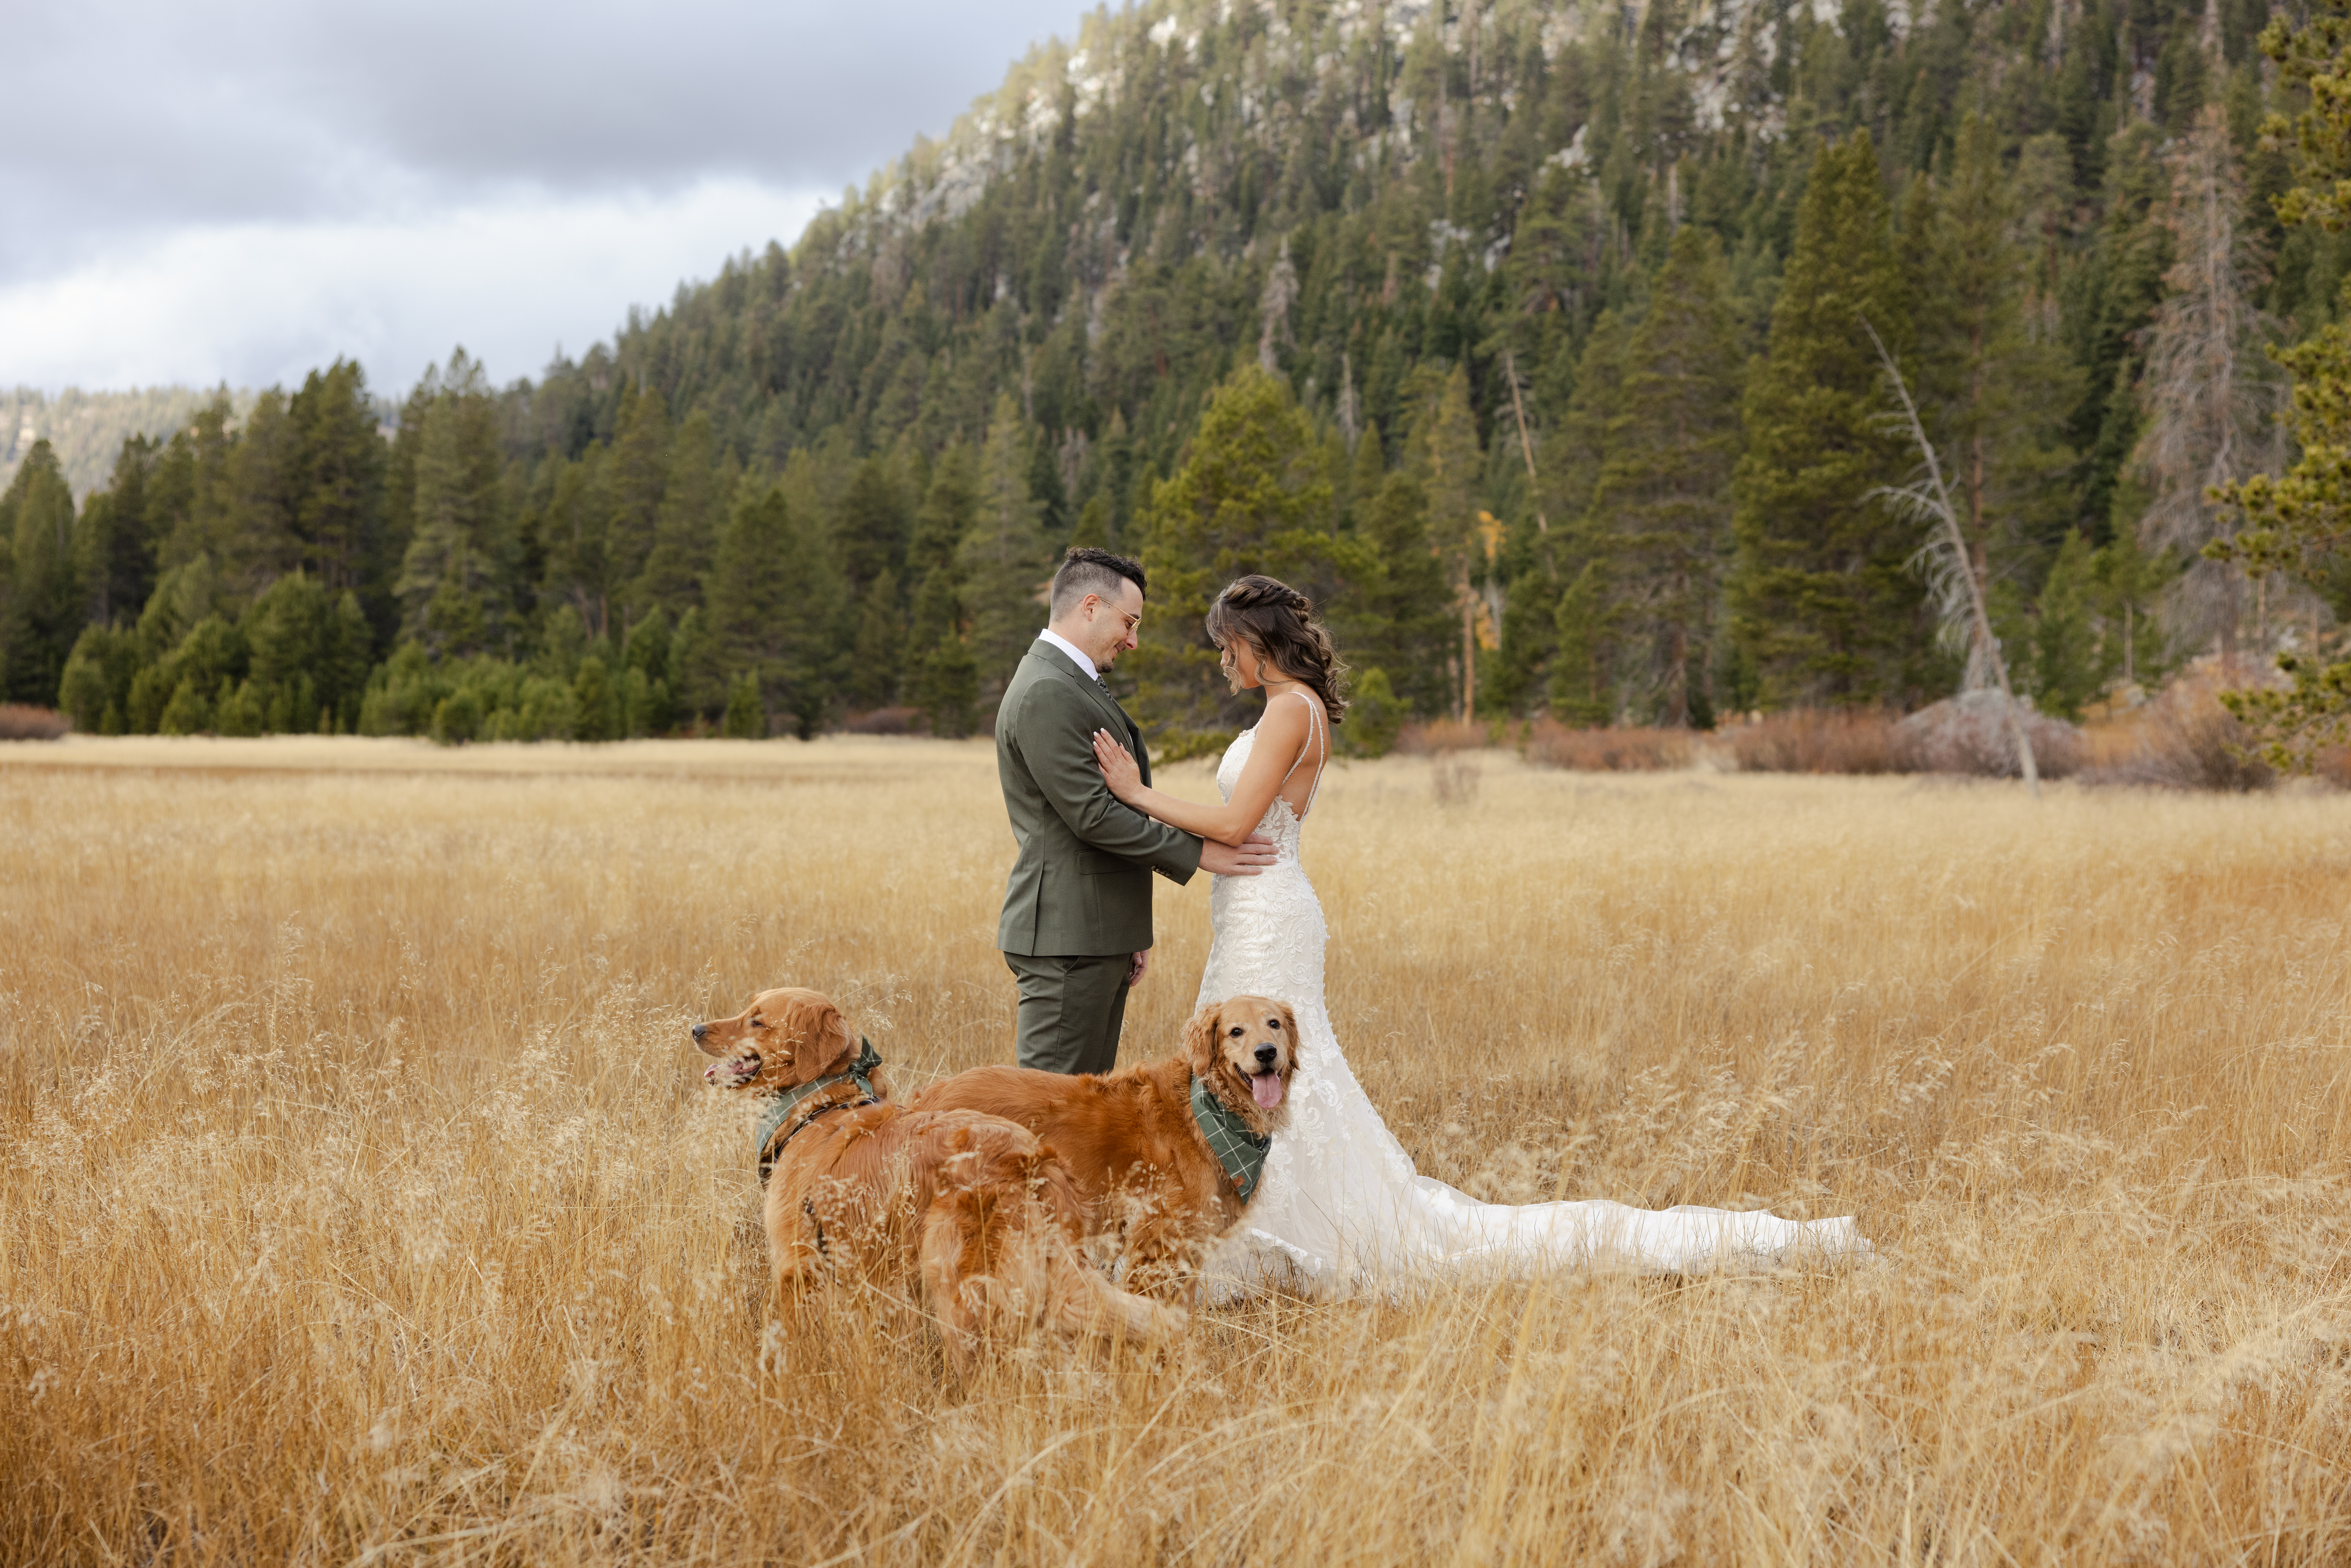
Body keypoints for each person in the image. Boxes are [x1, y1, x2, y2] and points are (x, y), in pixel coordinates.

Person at [1089, 573, 1869, 1297]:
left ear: (1252, 641)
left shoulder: (1291, 708)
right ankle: (1253, 1220)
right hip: (1254, 902)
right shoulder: (1291, 708)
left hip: (1267, 910)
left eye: (1225, 647)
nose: (1222, 662)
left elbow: (1235, 822)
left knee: (1265, 1070)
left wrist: (1135, 793)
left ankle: (1281, 1232)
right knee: (1245, 1073)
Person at [993, 548, 1278, 1075]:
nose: (1133, 640)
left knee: (1085, 1106)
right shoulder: (1047, 690)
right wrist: (1199, 852)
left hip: (1094, 932)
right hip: (1068, 936)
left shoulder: (1069, 681)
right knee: (1048, 1107)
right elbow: (1093, 816)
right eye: (1130, 622)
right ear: (1090, 606)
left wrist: (1126, 930)